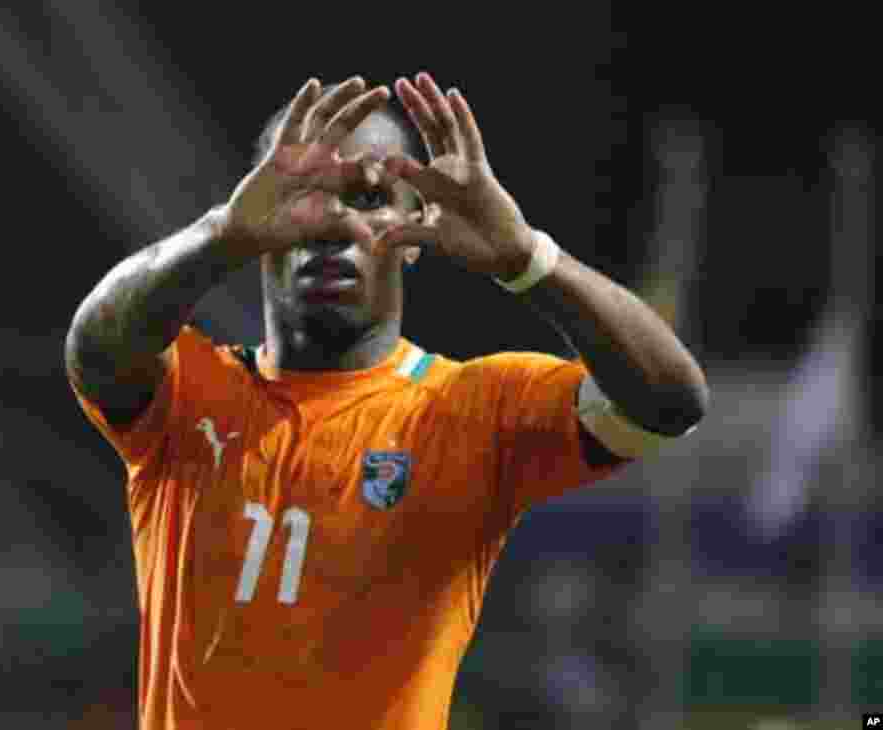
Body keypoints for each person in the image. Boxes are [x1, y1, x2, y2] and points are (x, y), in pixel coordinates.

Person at [65, 73, 709, 730]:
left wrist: (527, 259)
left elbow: (669, 401)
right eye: (303, 196)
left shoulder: (473, 410)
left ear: (415, 227)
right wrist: (219, 235)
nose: (336, 221)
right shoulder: (184, 395)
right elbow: (94, 347)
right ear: (261, 217)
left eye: (369, 197)